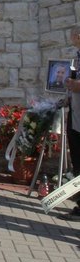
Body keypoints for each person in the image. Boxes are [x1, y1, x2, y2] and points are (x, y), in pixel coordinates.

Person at [61, 24, 80, 221]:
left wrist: (76, 85)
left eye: (72, 35)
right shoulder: (77, 56)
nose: (70, 37)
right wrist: (69, 87)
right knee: (77, 158)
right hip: (76, 114)